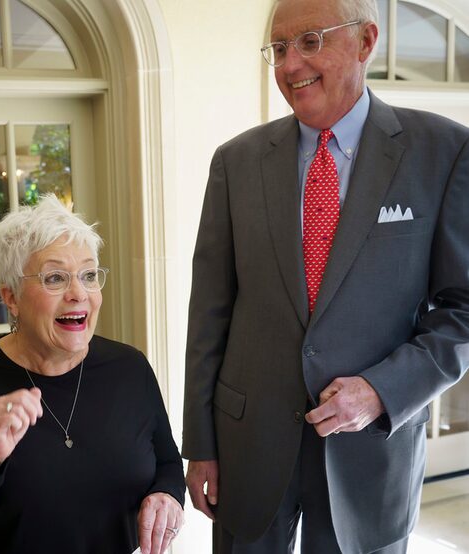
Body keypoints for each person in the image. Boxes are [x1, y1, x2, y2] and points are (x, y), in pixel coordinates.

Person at [182, 0, 469, 553]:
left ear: (365, 42)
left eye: (311, 41)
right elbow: (209, 313)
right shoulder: (235, 163)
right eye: (280, 48)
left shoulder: (446, 152)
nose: (291, 65)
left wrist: (381, 392)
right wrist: (202, 444)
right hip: (250, 450)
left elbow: (462, 311)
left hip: (372, 455)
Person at [0, 194, 185, 554]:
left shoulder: (130, 368)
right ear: (10, 298)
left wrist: (166, 495)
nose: (79, 294)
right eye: (55, 278)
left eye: (89, 275)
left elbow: (168, 463)